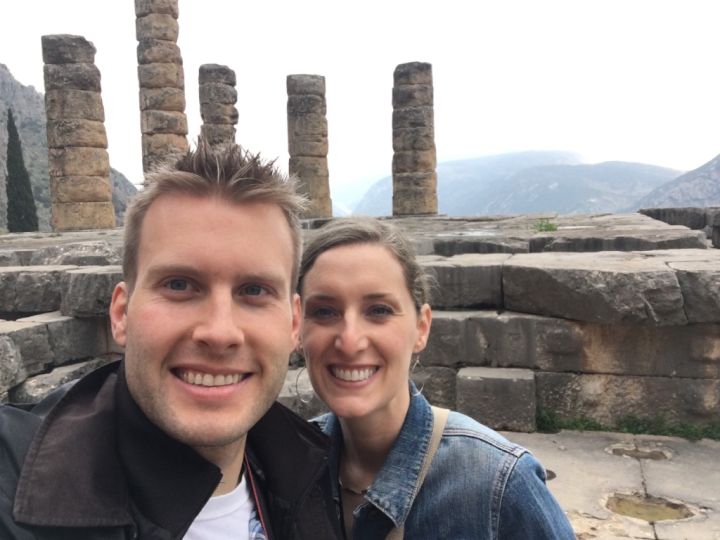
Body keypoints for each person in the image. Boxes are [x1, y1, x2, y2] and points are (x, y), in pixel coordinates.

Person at [0, 139, 343, 540]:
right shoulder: (12, 477)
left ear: (293, 324)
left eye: (254, 291)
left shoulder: (320, 475)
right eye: (179, 285)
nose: (219, 332)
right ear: (121, 313)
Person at [297, 217, 576, 539]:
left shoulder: (500, 483)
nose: (350, 341)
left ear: (422, 328)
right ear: (297, 328)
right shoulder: (286, 467)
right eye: (324, 311)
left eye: (379, 310)